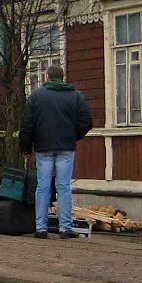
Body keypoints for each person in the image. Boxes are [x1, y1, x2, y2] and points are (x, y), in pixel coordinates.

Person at [19, 64, 93, 239]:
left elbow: (27, 124)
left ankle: (41, 228)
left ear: (47, 78)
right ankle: (65, 228)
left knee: (43, 187)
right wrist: (73, 135)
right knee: (64, 187)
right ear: (62, 77)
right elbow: (87, 121)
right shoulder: (75, 96)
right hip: (66, 147)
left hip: (43, 147)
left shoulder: (36, 96)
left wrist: (25, 147)